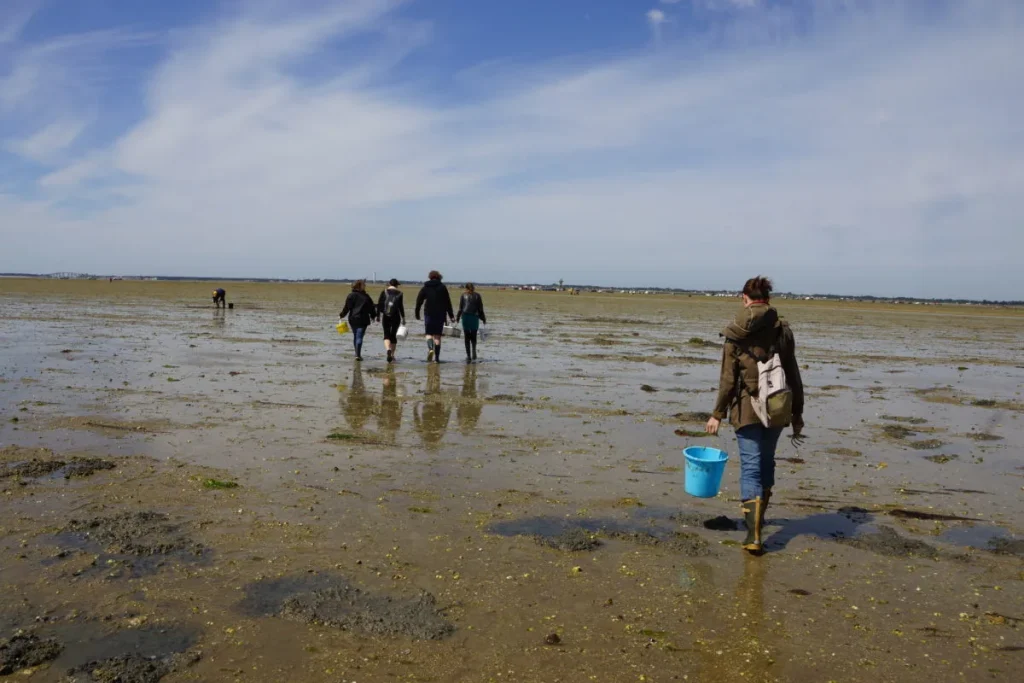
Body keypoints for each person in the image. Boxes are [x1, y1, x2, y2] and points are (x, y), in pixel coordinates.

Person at [705, 276, 804, 555]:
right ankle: (758, 525)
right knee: (765, 462)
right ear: (768, 299)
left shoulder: (735, 332)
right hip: (778, 407)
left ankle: (754, 535)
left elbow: (727, 380)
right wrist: (798, 412)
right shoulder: (782, 329)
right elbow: (793, 375)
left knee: (750, 467)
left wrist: (717, 414)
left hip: (746, 409)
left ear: (744, 298)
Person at [414, 270, 455, 363]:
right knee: (437, 336)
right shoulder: (443, 287)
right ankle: (436, 358)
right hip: (440, 314)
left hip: (428, 313)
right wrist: (451, 316)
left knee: (428, 334)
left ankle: (430, 348)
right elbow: (448, 302)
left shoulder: (425, 287)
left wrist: (417, 313)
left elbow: (419, 301)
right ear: (439, 277)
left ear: (430, 277)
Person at [339, 279, 377, 361]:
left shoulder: (351, 295)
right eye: (364, 285)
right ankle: (358, 355)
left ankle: (356, 353)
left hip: (353, 318)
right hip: (363, 319)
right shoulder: (366, 296)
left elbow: (347, 308)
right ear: (360, 286)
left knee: (356, 335)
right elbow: (371, 307)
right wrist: (373, 316)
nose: (365, 286)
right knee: (359, 336)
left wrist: (342, 315)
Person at [376, 279, 406, 363]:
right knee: (393, 335)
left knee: (386, 334)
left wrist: (378, 316)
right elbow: (401, 307)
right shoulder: (400, 293)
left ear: (389, 284)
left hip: (386, 316)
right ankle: (392, 355)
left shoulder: (384, 291)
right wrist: (403, 317)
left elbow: (379, 304)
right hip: (396, 316)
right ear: (397, 285)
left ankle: (388, 349)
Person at [455, 283, 487, 362]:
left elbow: (460, 308)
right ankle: (474, 352)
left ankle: (468, 356)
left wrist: (458, 318)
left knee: (467, 336)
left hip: (465, 317)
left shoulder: (463, 295)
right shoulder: (477, 296)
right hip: (474, 317)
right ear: (473, 288)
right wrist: (483, 319)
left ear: (466, 288)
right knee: (474, 335)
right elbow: (480, 309)